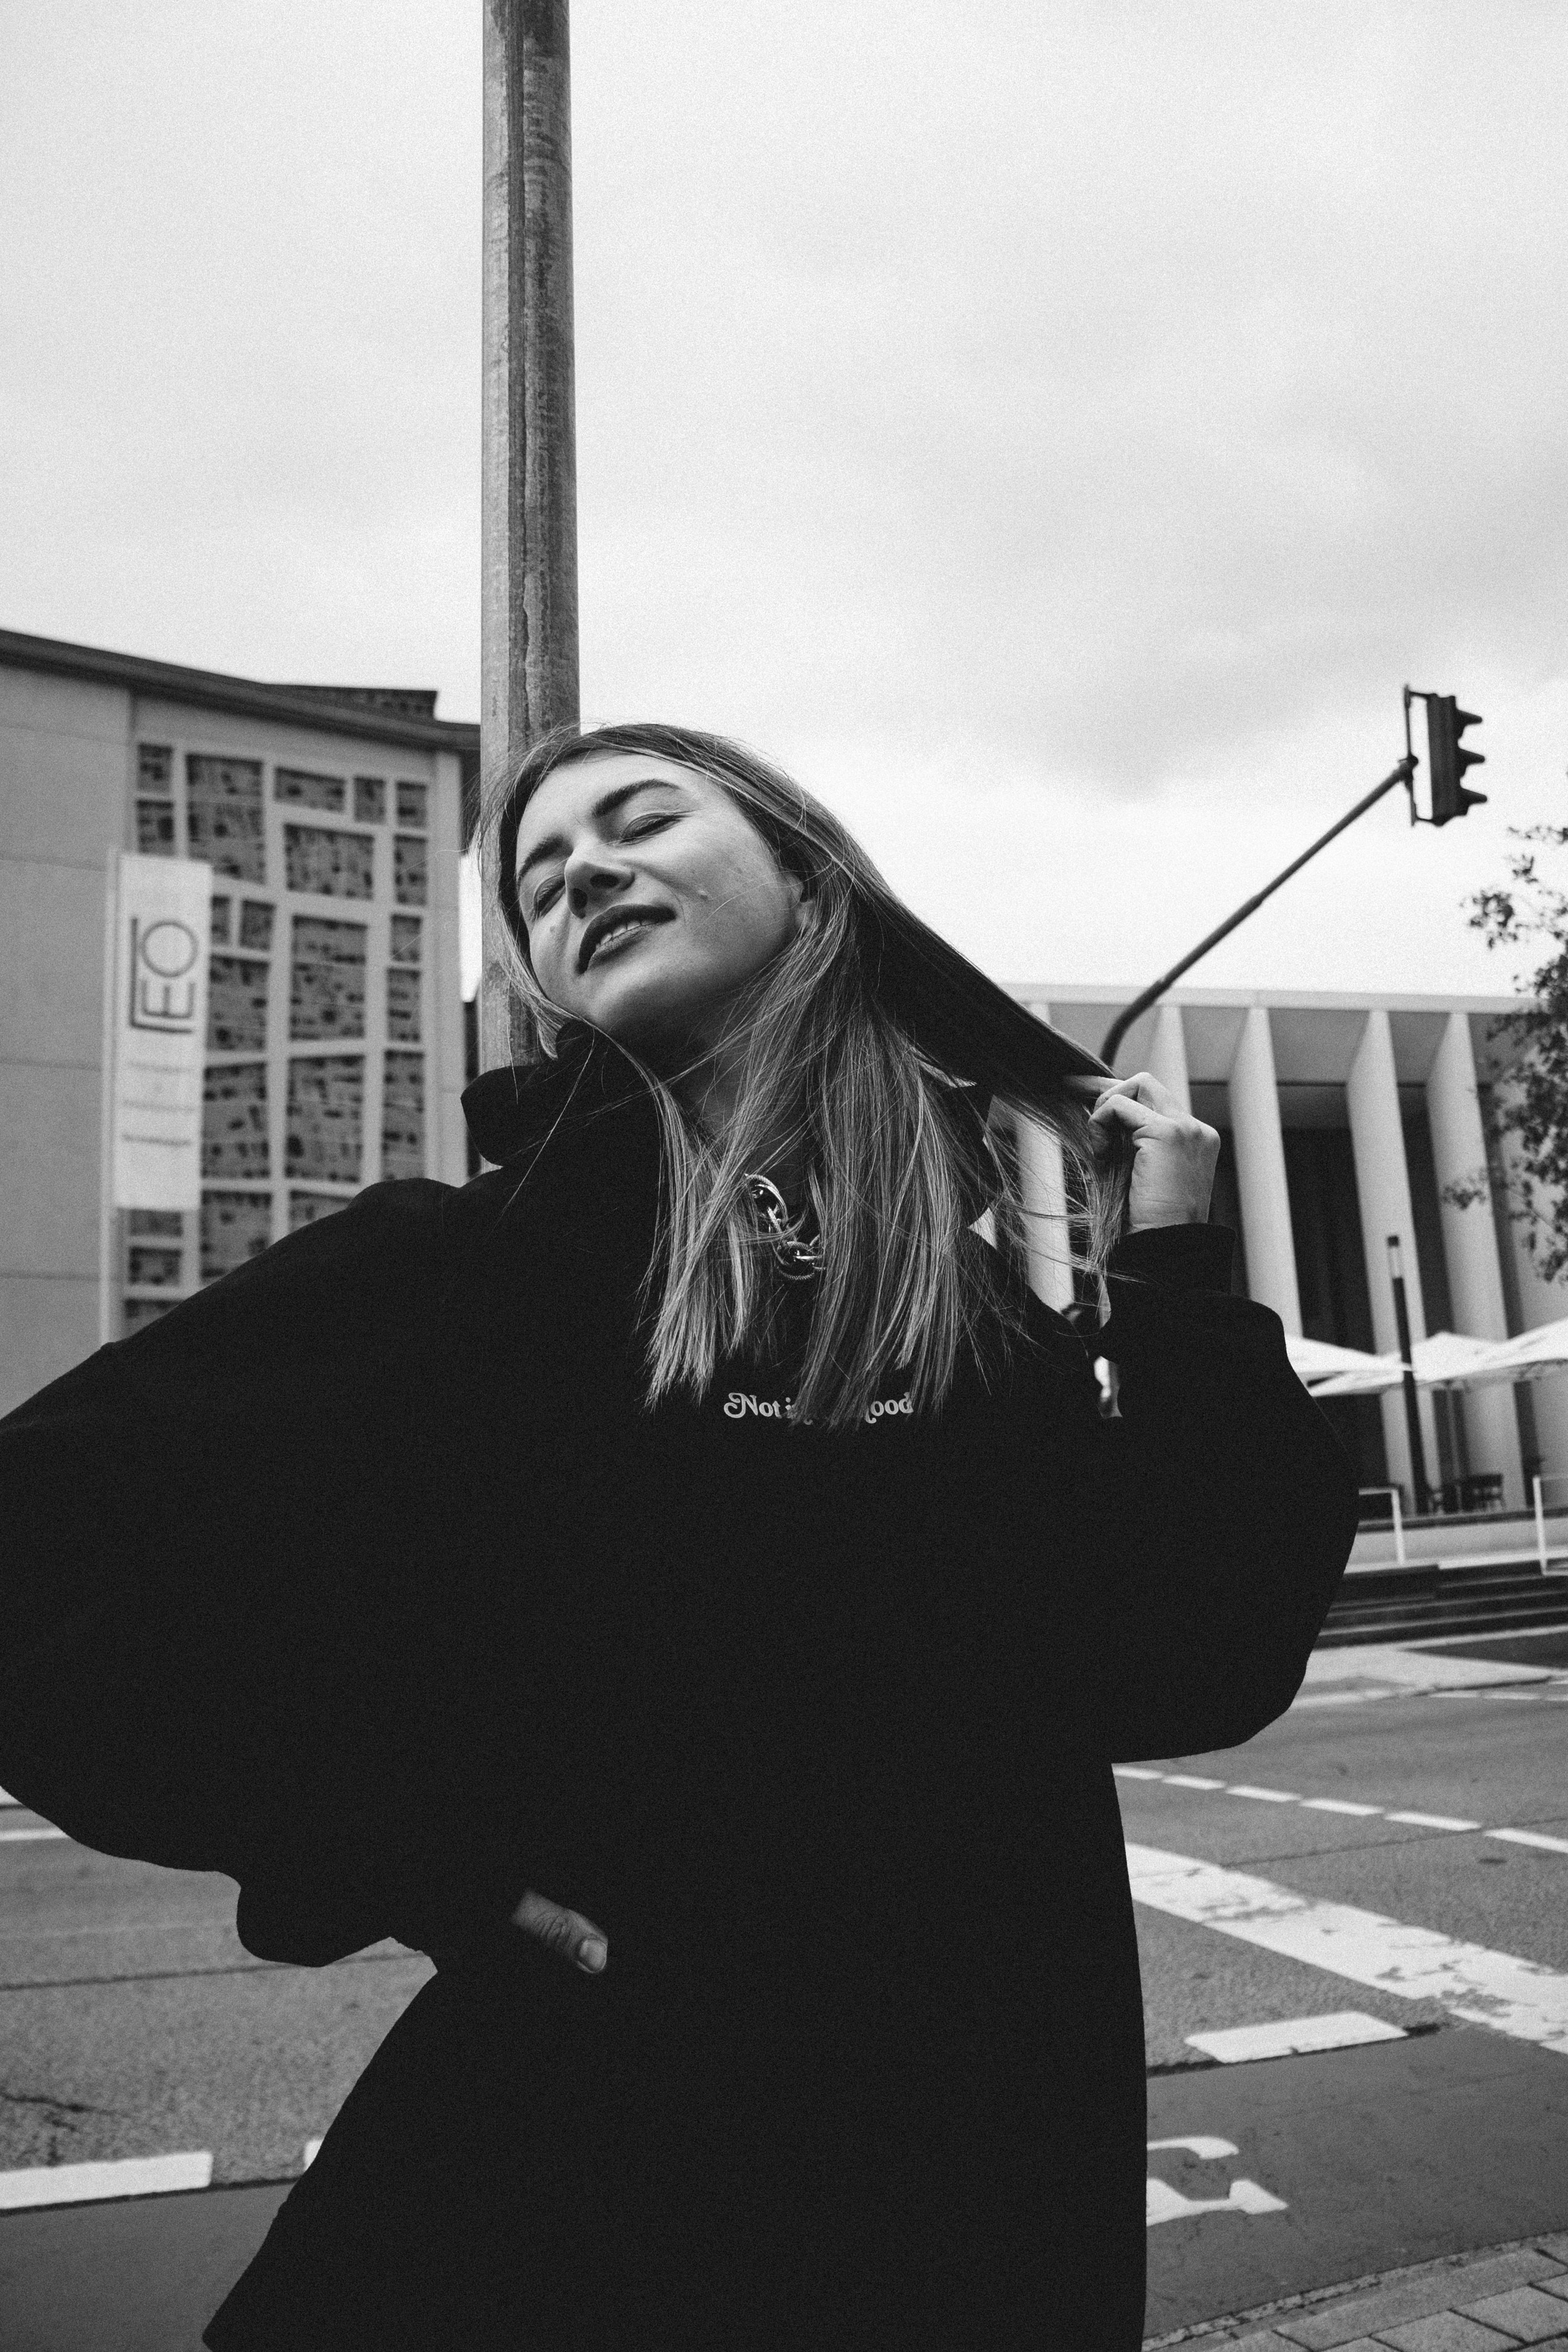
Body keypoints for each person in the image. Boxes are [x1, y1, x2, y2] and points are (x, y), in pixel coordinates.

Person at [0, 720, 1360, 2350]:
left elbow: (1191, 1660)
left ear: (806, 875)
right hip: (578, 2205)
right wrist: (388, 1845)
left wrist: (1179, 1270)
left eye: (639, 820)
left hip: (977, 2183)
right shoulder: (478, 1272)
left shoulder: (975, 1327)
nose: (582, 870)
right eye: (543, 877)